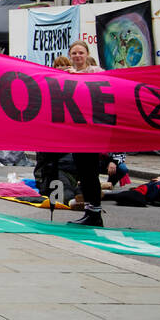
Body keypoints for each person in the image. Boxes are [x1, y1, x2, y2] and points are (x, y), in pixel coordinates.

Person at [63, 41, 105, 227]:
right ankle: (89, 210)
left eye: (80, 52)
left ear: (87, 54)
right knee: (82, 172)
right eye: (74, 53)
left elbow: (102, 87)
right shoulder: (66, 73)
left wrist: (78, 77)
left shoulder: (97, 71)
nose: (77, 56)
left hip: (92, 131)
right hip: (75, 130)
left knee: (90, 172)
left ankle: (95, 213)